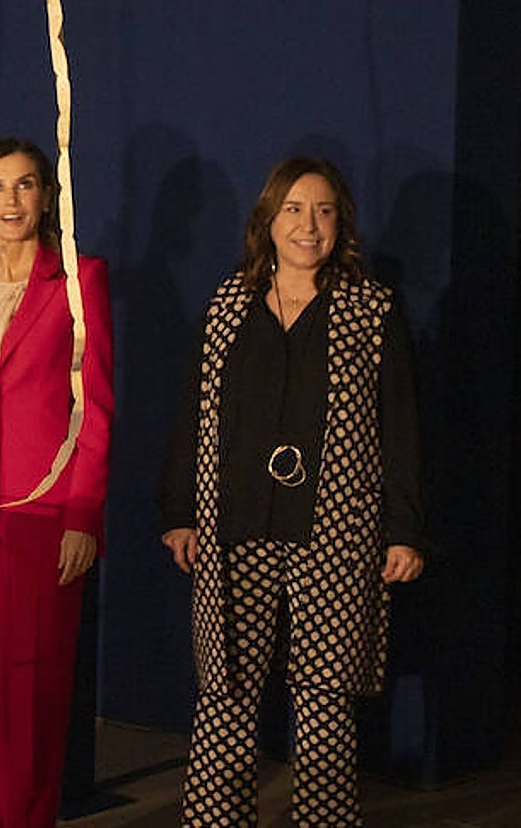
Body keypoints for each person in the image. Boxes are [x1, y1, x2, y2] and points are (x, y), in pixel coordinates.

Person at [160, 156, 426, 826]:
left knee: (324, 708)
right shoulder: (229, 306)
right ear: (269, 220)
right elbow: (193, 414)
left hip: (336, 531)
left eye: (325, 210)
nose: (309, 225)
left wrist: (405, 529)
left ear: (342, 224)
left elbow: (400, 423)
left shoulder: (370, 310)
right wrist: (181, 513)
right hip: (235, 524)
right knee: (224, 700)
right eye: (295, 209)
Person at [0, 137, 114, 827]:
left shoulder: (79, 279)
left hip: (42, 515)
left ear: (46, 196)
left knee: (30, 692)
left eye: (26, 184)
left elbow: (93, 408)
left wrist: (82, 516)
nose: (12, 200)